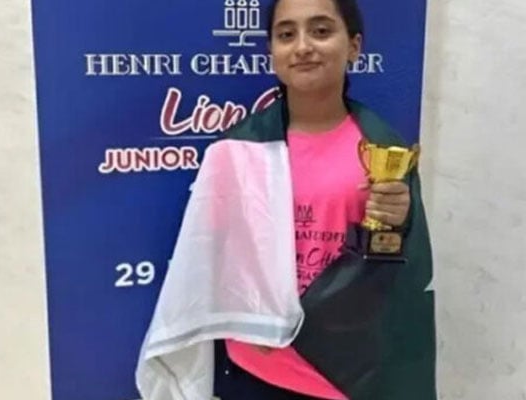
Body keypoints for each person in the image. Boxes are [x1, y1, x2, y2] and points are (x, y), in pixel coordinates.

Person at [136, 0, 435, 398]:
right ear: (271, 52)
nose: (303, 46)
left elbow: (400, 278)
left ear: (355, 46)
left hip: (344, 372)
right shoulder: (235, 150)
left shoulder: (383, 149)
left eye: (322, 31)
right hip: (257, 368)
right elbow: (212, 259)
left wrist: (396, 221)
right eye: (286, 34)